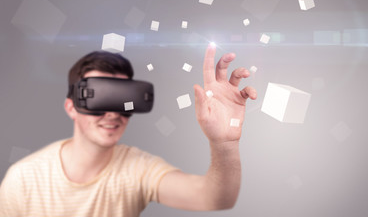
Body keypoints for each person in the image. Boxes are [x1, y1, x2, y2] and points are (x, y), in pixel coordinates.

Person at [0, 44, 257, 216]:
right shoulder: (23, 178)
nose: (112, 113)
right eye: (99, 98)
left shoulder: (137, 168)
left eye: (122, 100)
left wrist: (224, 143)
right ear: (71, 107)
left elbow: (215, 199)